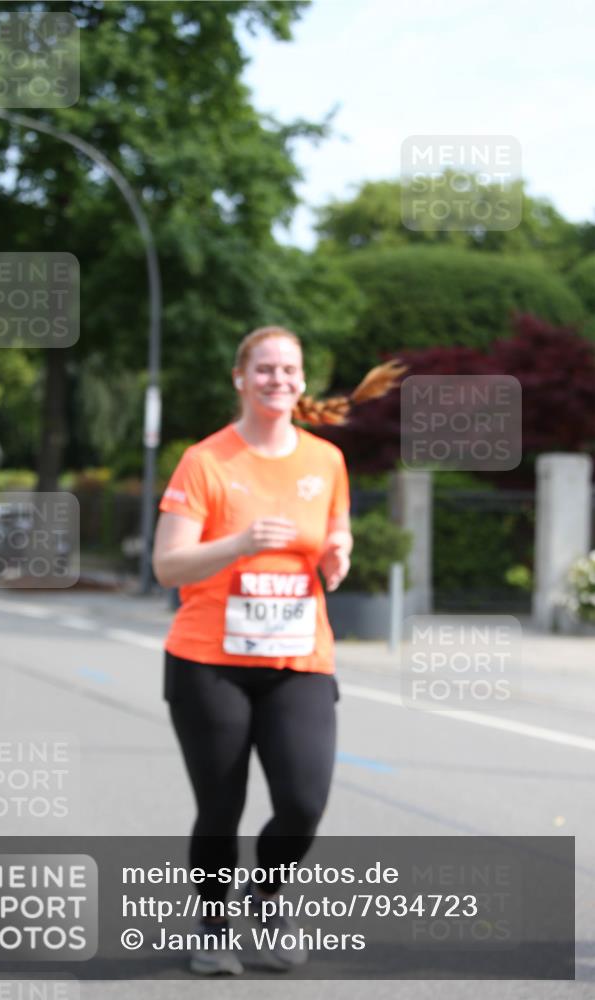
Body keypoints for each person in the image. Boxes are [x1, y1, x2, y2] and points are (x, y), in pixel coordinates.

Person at [152, 326, 406, 975]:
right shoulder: (205, 461)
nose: (277, 380)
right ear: (240, 379)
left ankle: (264, 899)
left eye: (287, 370)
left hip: (299, 660)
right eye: (263, 369)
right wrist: (236, 545)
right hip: (209, 663)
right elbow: (168, 567)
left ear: (301, 381)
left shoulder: (324, 461)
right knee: (221, 805)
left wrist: (337, 555)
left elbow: (336, 532)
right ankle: (211, 925)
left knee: (302, 800)